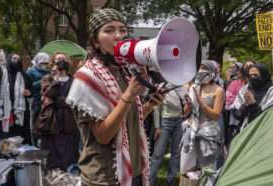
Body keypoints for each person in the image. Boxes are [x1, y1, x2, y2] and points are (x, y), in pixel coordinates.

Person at [66, 8, 163, 186]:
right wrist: (128, 95)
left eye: (122, 30)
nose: (118, 35)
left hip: (133, 170)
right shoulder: (87, 78)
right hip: (105, 177)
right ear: (95, 42)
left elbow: (126, 123)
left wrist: (148, 106)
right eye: (109, 30)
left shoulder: (124, 72)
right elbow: (103, 135)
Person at [180, 60, 224, 182]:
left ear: (212, 72)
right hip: (191, 131)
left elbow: (216, 115)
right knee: (187, 169)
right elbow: (185, 113)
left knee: (207, 169)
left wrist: (201, 103)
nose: (200, 71)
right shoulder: (193, 88)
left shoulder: (218, 90)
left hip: (208, 135)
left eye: (204, 68)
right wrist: (188, 106)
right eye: (199, 68)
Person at [36, 60, 79, 170]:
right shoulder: (52, 80)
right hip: (53, 118)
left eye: (57, 69)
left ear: (63, 70)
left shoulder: (73, 81)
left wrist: (56, 101)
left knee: (67, 143)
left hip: (68, 117)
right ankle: (54, 166)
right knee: (54, 142)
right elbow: (44, 97)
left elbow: (72, 100)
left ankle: (67, 166)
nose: (56, 71)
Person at [0, 52, 33, 144]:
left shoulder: (24, 75)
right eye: (14, 58)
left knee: (20, 139)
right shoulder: (1, 72)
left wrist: (29, 93)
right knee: (6, 140)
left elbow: (31, 90)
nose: (16, 61)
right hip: (4, 113)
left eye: (18, 59)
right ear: (9, 60)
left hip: (20, 113)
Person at [149, 85, 187, 186]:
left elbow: (186, 108)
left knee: (175, 154)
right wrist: (157, 127)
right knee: (157, 154)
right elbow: (156, 107)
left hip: (179, 122)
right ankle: (149, 182)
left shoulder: (183, 88)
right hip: (165, 123)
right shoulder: (162, 86)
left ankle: (171, 182)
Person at [232, 63, 273, 129]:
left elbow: (272, 117)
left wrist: (253, 104)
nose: (252, 77)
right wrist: (245, 105)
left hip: (265, 131)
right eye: (250, 75)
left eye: (255, 75)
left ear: (264, 75)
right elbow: (237, 115)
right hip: (245, 131)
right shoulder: (244, 90)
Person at [26, 52, 50, 123]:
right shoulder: (31, 71)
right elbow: (28, 86)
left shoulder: (49, 71)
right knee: (36, 119)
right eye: (43, 63)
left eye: (46, 63)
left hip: (47, 98)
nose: (45, 65)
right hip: (35, 99)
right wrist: (41, 82)